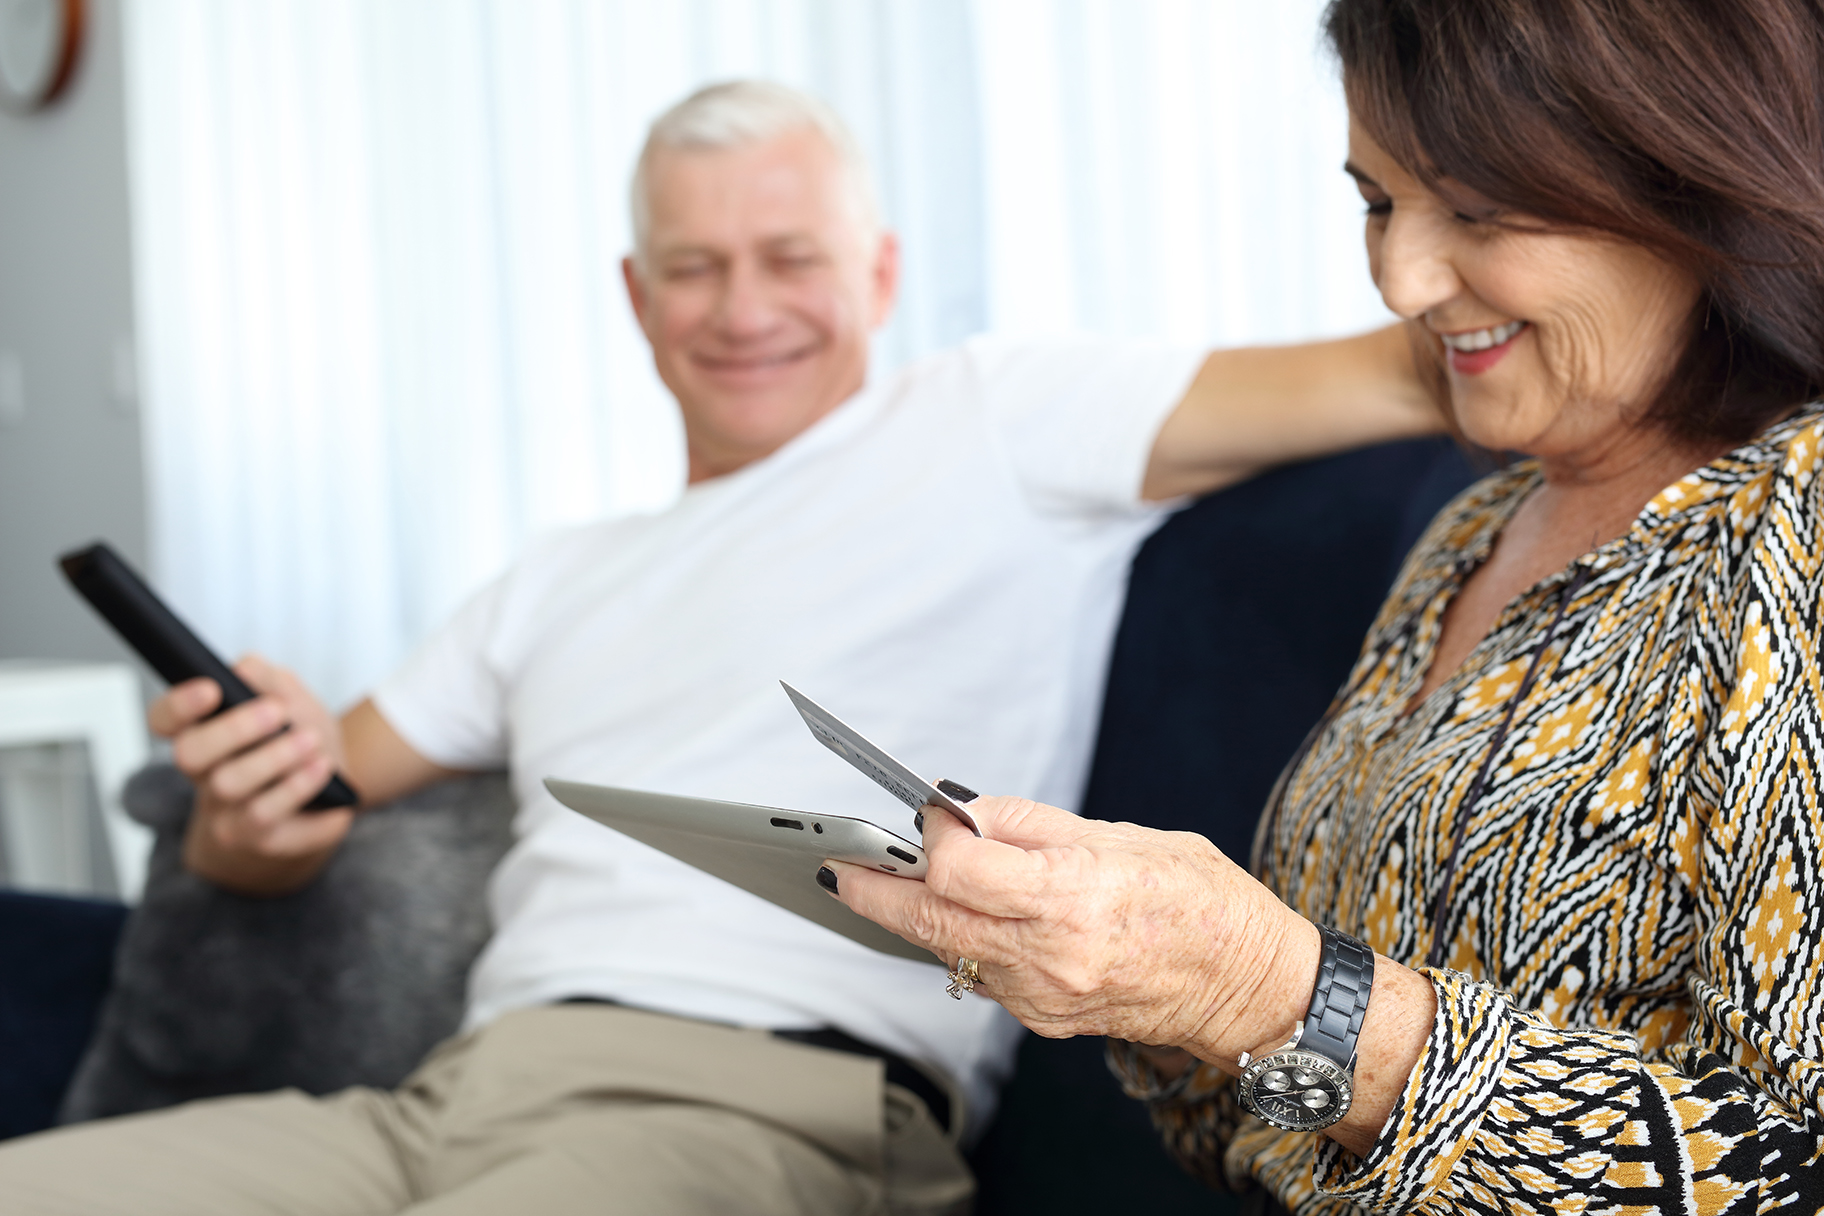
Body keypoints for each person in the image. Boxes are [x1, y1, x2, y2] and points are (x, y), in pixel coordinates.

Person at [0, 81, 1439, 1215]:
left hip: (763, 1110)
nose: (744, 310)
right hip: (445, 1105)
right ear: (637, 297)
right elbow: (288, 829)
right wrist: (246, 807)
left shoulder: (1000, 420)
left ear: (876, 273)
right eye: (695, 269)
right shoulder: (549, 578)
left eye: (789, 259)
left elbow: (1413, 362)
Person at [825, 1, 1824, 1212]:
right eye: (1378, 202)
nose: (1401, 276)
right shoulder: (1471, 534)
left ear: (1689, 183)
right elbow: (1290, 1139)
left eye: (1477, 209)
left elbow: (1790, 1169)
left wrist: (1265, 991)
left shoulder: (1797, 517)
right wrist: (1129, 978)